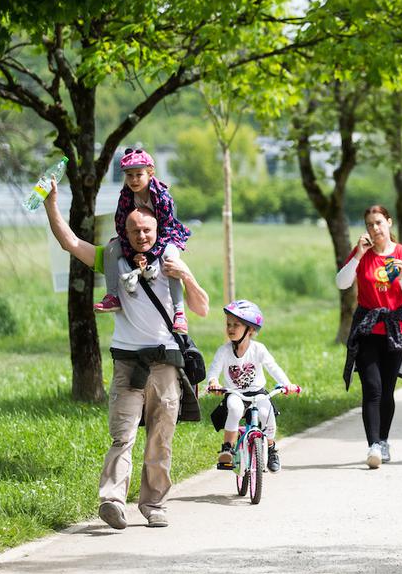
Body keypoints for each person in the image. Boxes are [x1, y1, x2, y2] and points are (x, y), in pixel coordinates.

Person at [42, 179, 210, 530]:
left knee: (160, 440)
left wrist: (187, 278)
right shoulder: (114, 259)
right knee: (123, 435)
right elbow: (70, 242)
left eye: (147, 229)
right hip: (127, 363)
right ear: (126, 230)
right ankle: (113, 501)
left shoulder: (172, 260)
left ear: (157, 228)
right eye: (134, 230)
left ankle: (154, 505)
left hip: (166, 364)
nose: (141, 235)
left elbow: (203, 308)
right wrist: (51, 204)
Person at [338, 205, 402, 469]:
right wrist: (357, 255)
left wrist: (399, 276)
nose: (375, 229)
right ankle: (373, 445)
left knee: (387, 390)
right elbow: (342, 283)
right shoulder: (362, 254)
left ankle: (384, 440)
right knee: (372, 388)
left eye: (379, 223)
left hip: (393, 330)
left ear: (389, 222)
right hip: (366, 329)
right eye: (369, 224)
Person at [94, 148, 193, 334]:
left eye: (139, 175)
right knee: (110, 250)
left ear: (150, 173)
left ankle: (179, 312)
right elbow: (121, 225)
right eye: (129, 175)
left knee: (170, 260)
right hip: (136, 239)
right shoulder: (126, 196)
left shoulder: (162, 197)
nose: (133, 180)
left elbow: (166, 229)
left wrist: (149, 254)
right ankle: (112, 296)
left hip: (164, 237)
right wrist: (133, 253)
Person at [207, 300, 294, 473]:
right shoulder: (223, 351)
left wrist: (287, 384)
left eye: (236, 325)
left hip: (257, 393)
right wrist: (213, 382)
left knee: (266, 413)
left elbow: (273, 367)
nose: (231, 328)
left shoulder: (258, 349)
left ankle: (271, 449)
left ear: (251, 330)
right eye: (228, 324)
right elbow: (214, 370)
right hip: (235, 393)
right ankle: (227, 449)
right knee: (234, 408)